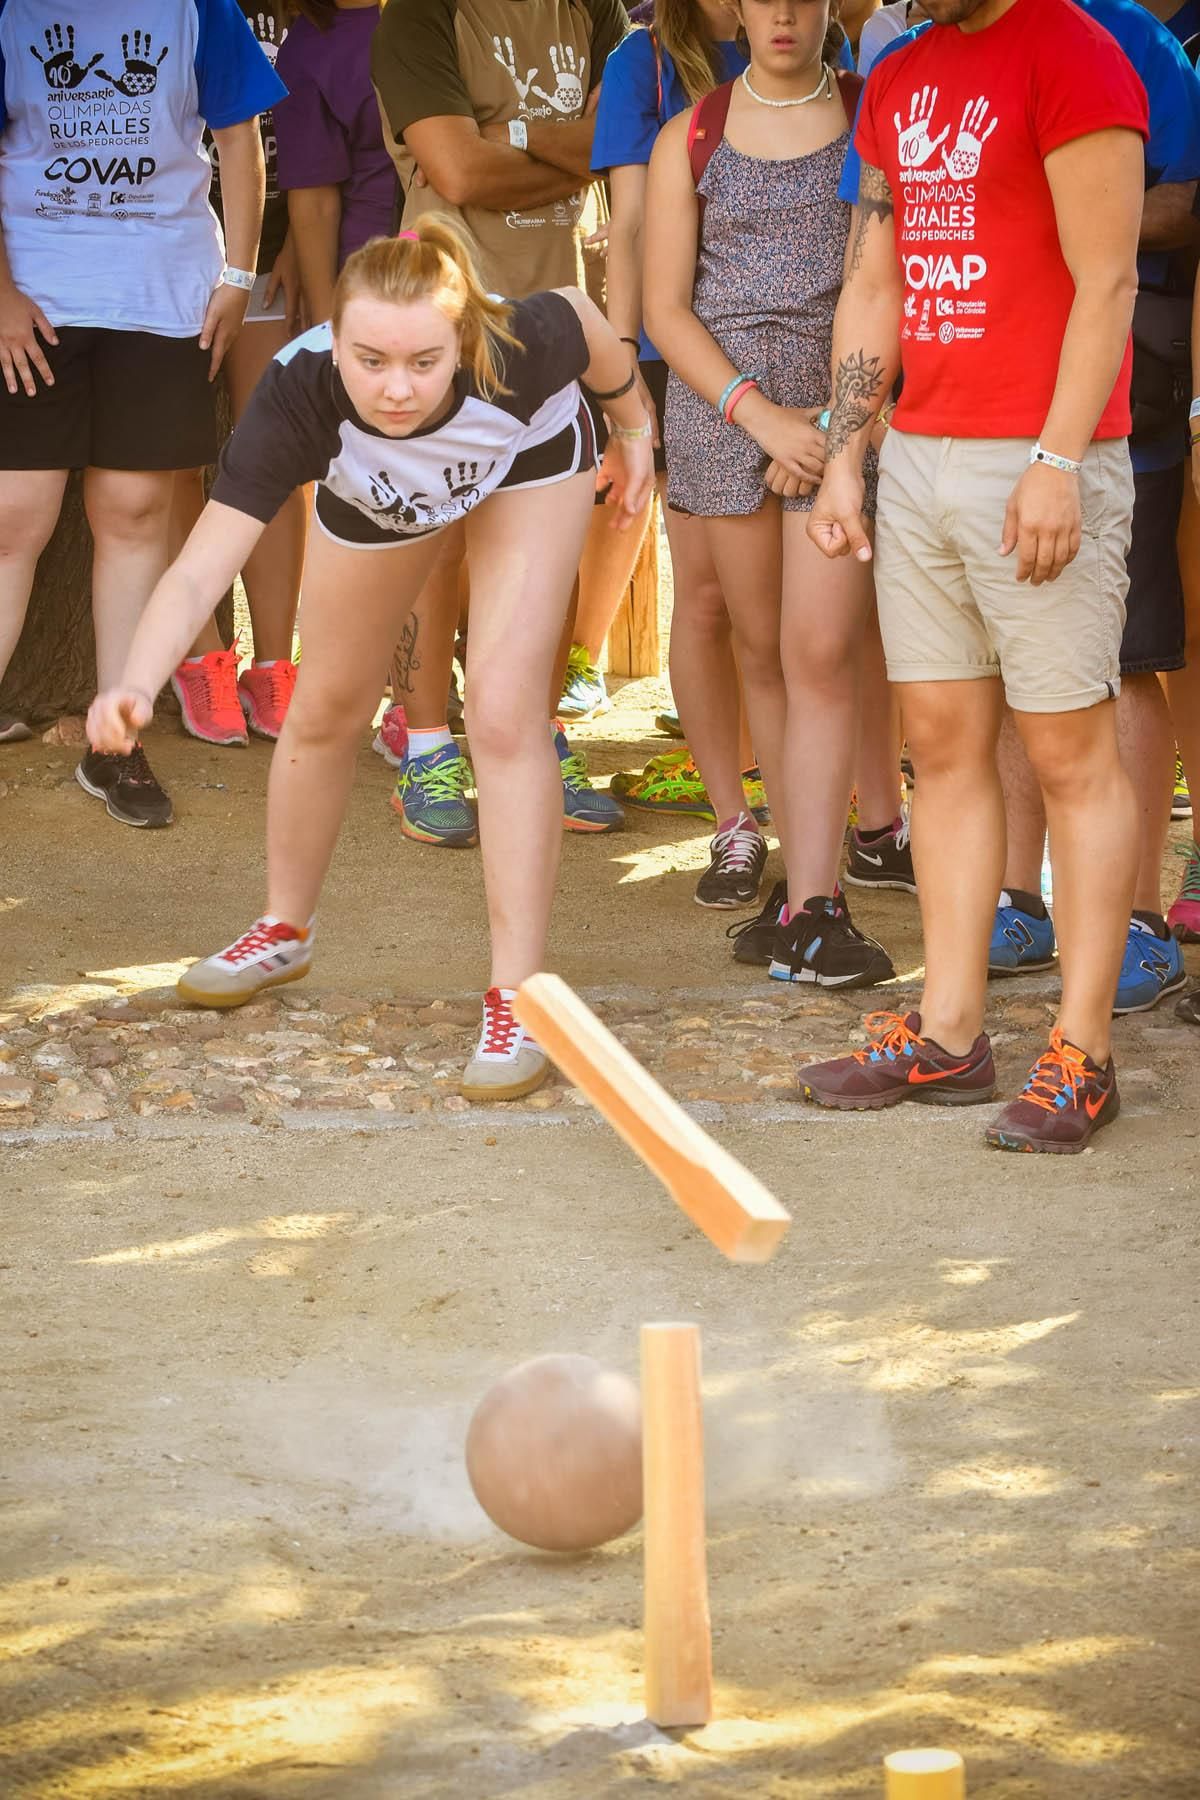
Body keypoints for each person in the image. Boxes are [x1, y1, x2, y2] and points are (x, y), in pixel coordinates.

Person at [87, 218, 654, 1100]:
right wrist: (131, 679)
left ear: (462, 339)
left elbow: (583, 315)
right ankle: (284, 928)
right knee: (325, 705)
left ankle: (520, 994)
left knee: (504, 714)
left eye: (424, 362)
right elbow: (202, 563)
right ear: (335, 342)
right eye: (371, 360)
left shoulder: (516, 345)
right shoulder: (297, 397)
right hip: (380, 485)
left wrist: (633, 421)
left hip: (525, 457)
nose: (396, 387)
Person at [800, 0, 1148, 1153]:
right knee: (941, 744)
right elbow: (875, 282)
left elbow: (1107, 283)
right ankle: (950, 1035)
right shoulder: (898, 75)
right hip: (922, 454)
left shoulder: (1075, 53)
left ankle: (1082, 1056)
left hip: (1044, 456)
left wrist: (1058, 458)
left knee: (1068, 753)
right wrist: (845, 456)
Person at [645, 0, 895, 986]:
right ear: (732, 8)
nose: (783, 13)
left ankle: (822, 898)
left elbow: (890, 292)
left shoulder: (875, 116)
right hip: (727, 416)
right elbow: (667, 306)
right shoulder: (692, 133)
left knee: (821, 647)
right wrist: (763, 420)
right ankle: (799, 895)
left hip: (842, 408)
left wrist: (831, 432)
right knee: (762, 649)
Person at [0, 0, 283, 821]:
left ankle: (113, 746)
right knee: (15, 518)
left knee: (133, 513)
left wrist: (237, 278)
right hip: (38, 300)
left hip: (162, 296)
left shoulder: (201, 9)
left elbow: (239, 142)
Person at [371, 0, 637, 845]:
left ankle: (538, 736)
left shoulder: (595, 10)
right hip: (443, 314)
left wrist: (505, 131)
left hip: (557, 313)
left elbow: (613, 141)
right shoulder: (418, 16)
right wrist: (562, 153)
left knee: (548, 540)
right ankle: (426, 746)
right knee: (435, 531)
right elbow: (460, 176)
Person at [985, 0, 1200, 1017]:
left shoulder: (1132, 41)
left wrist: (1050, 203)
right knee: (1000, 656)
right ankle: (1016, 896)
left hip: (1126, 400)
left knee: (1125, 658)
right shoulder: (953, 47)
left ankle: (1143, 919)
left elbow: (1185, 203)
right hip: (988, 394)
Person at [592, 1, 775, 906]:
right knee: (703, 596)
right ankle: (731, 819)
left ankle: (827, 811)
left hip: (805, 358)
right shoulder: (645, 61)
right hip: (676, 355)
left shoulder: (820, 36)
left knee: (794, 611)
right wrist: (624, 371)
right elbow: (628, 226)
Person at [170, 0, 306, 748]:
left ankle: (275, 666)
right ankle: (202, 655)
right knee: (167, 460)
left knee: (271, 457)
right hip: (168, 245)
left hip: (276, 247)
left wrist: (298, 250)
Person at [274, 0, 399, 324]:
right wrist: (326, 325)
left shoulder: (449, 13)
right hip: (373, 276)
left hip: (475, 255)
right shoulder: (305, 49)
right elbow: (314, 200)